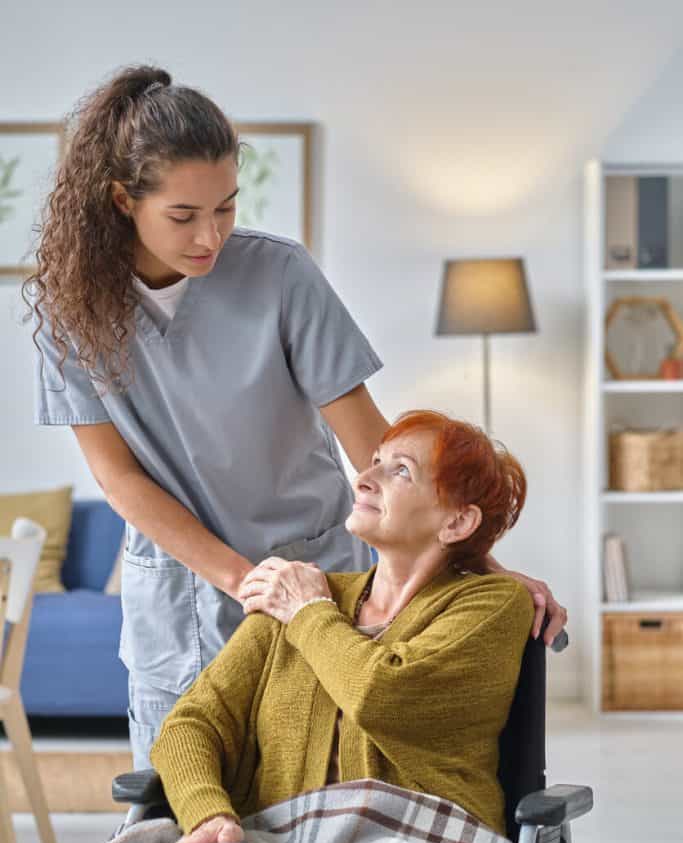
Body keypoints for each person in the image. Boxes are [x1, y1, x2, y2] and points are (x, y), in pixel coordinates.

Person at [27, 65, 566, 772]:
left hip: (321, 583)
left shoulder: (278, 275)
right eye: (183, 216)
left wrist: (478, 567)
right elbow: (120, 480)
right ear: (123, 200)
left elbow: (375, 447)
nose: (210, 236)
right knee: (177, 815)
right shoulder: (69, 313)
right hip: (181, 596)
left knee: (318, 797)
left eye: (225, 207)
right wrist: (241, 578)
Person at [153, 413, 535, 843]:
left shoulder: (491, 605)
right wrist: (209, 815)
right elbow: (190, 724)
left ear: (457, 521)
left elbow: (383, 697)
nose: (365, 479)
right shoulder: (296, 596)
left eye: (399, 471)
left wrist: (310, 611)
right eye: (373, 463)